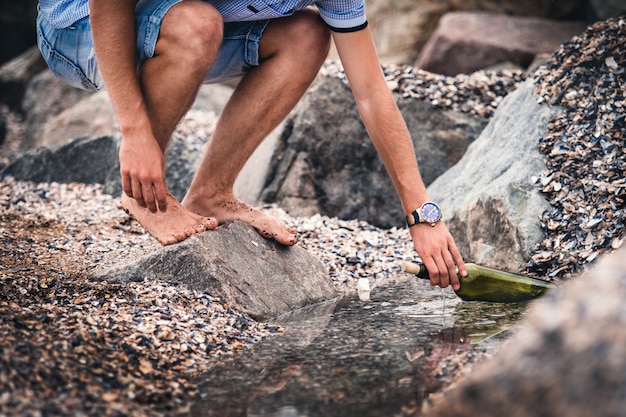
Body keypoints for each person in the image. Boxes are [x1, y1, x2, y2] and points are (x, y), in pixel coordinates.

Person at [36, 0, 467, 289]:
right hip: (75, 26)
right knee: (198, 24)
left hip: (175, 20)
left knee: (306, 35)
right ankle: (146, 197)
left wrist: (422, 216)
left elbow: (372, 94)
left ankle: (211, 192)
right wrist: (135, 132)